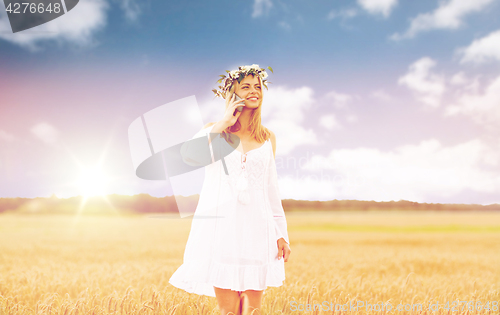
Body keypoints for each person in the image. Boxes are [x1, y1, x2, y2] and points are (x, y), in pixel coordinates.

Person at [169, 64, 291, 315]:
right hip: (221, 232)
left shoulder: (268, 138)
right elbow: (189, 156)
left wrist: (281, 233)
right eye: (245, 87)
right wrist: (224, 122)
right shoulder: (215, 133)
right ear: (232, 94)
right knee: (228, 311)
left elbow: (271, 190)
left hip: (258, 231)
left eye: (257, 86)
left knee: (252, 311)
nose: (253, 91)